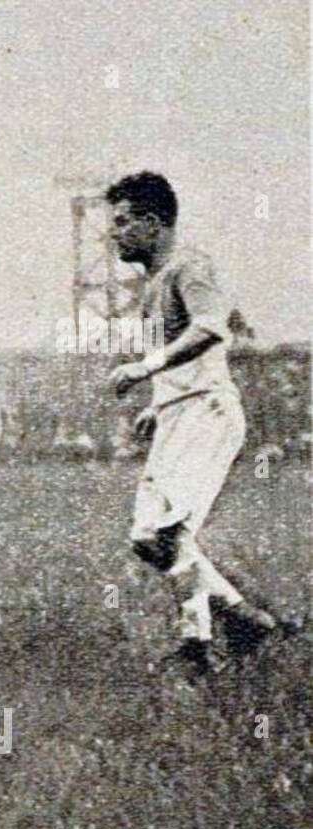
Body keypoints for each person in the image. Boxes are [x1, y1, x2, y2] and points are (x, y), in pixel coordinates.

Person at [105, 170, 276, 683]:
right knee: (145, 538)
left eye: (122, 222)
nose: (114, 234)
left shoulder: (191, 269)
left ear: (153, 223)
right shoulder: (156, 283)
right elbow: (191, 353)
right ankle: (245, 620)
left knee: (168, 533)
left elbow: (210, 328)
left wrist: (145, 367)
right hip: (182, 411)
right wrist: (159, 404)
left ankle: (196, 647)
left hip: (208, 413)